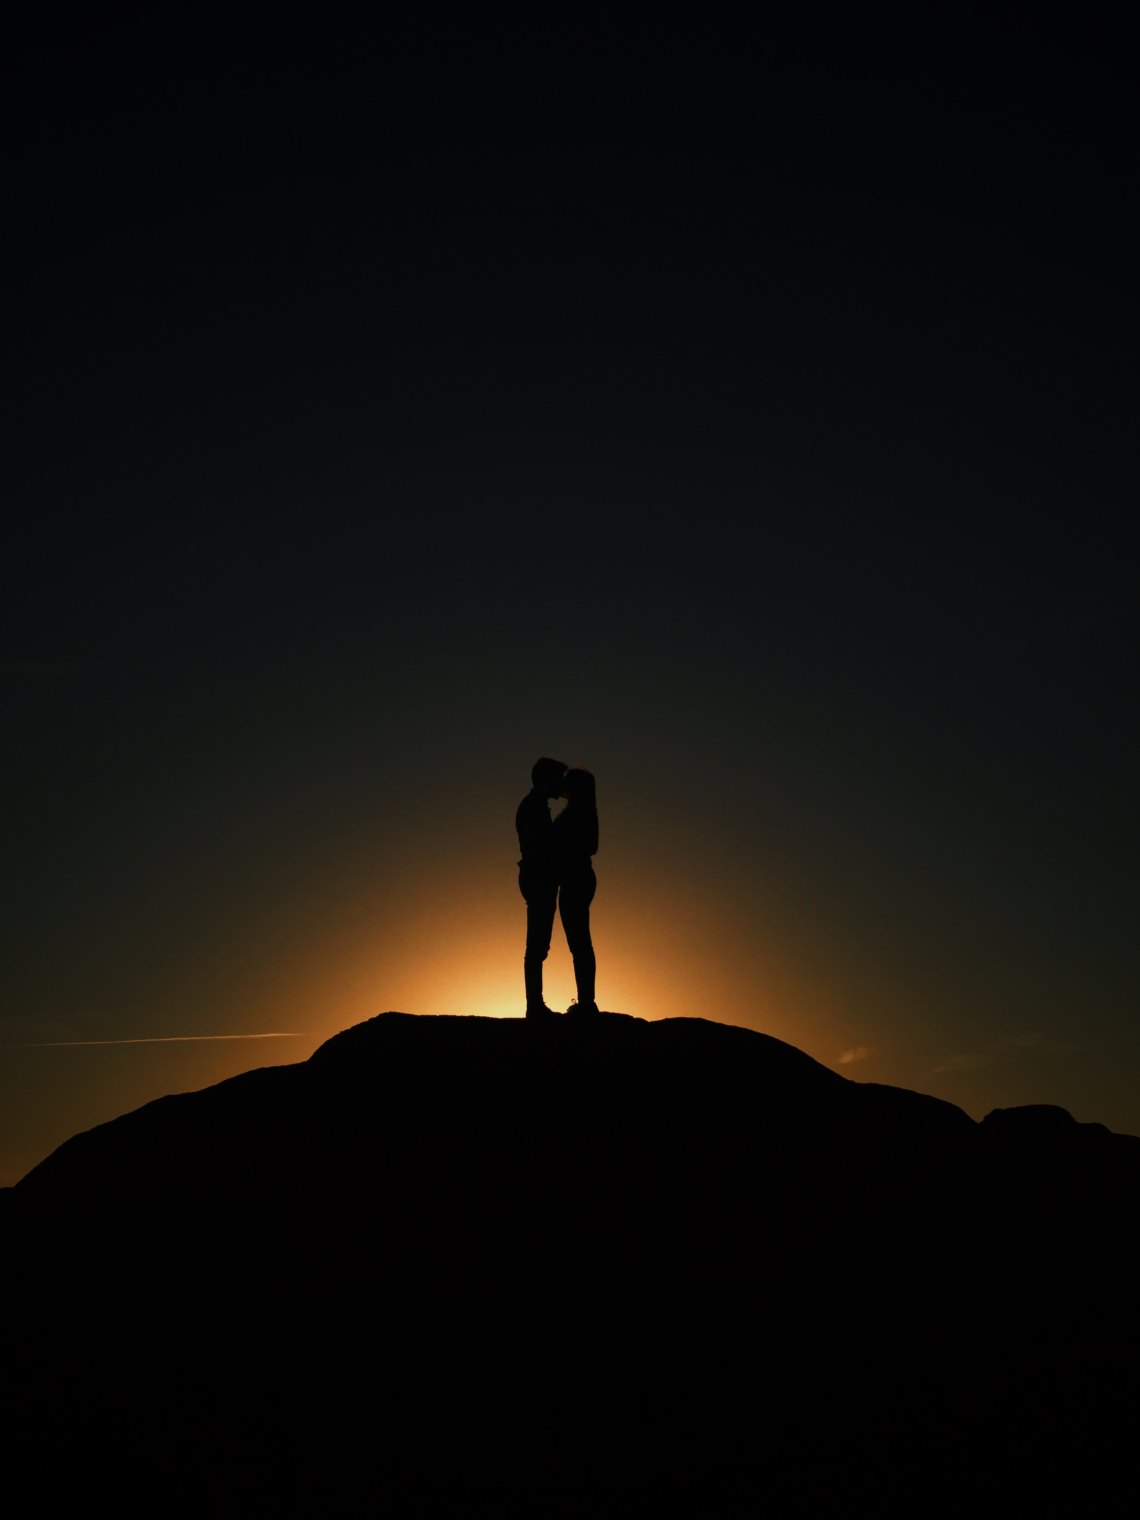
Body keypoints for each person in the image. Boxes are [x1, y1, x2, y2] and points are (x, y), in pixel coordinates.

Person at [516, 757, 567, 1019]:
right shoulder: (534, 807)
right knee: (537, 945)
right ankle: (534, 1006)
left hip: (536, 877)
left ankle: (535, 1004)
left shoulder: (535, 805)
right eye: (558, 779)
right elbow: (543, 846)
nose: (562, 784)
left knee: (538, 945)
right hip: (538, 878)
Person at [552, 767, 599, 1017]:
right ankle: (585, 1001)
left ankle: (586, 1003)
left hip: (576, 879)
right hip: (579, 877)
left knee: (579, 943)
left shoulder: (579, 814)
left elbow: (591, 845)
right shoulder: (583, 812)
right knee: (580, 943)